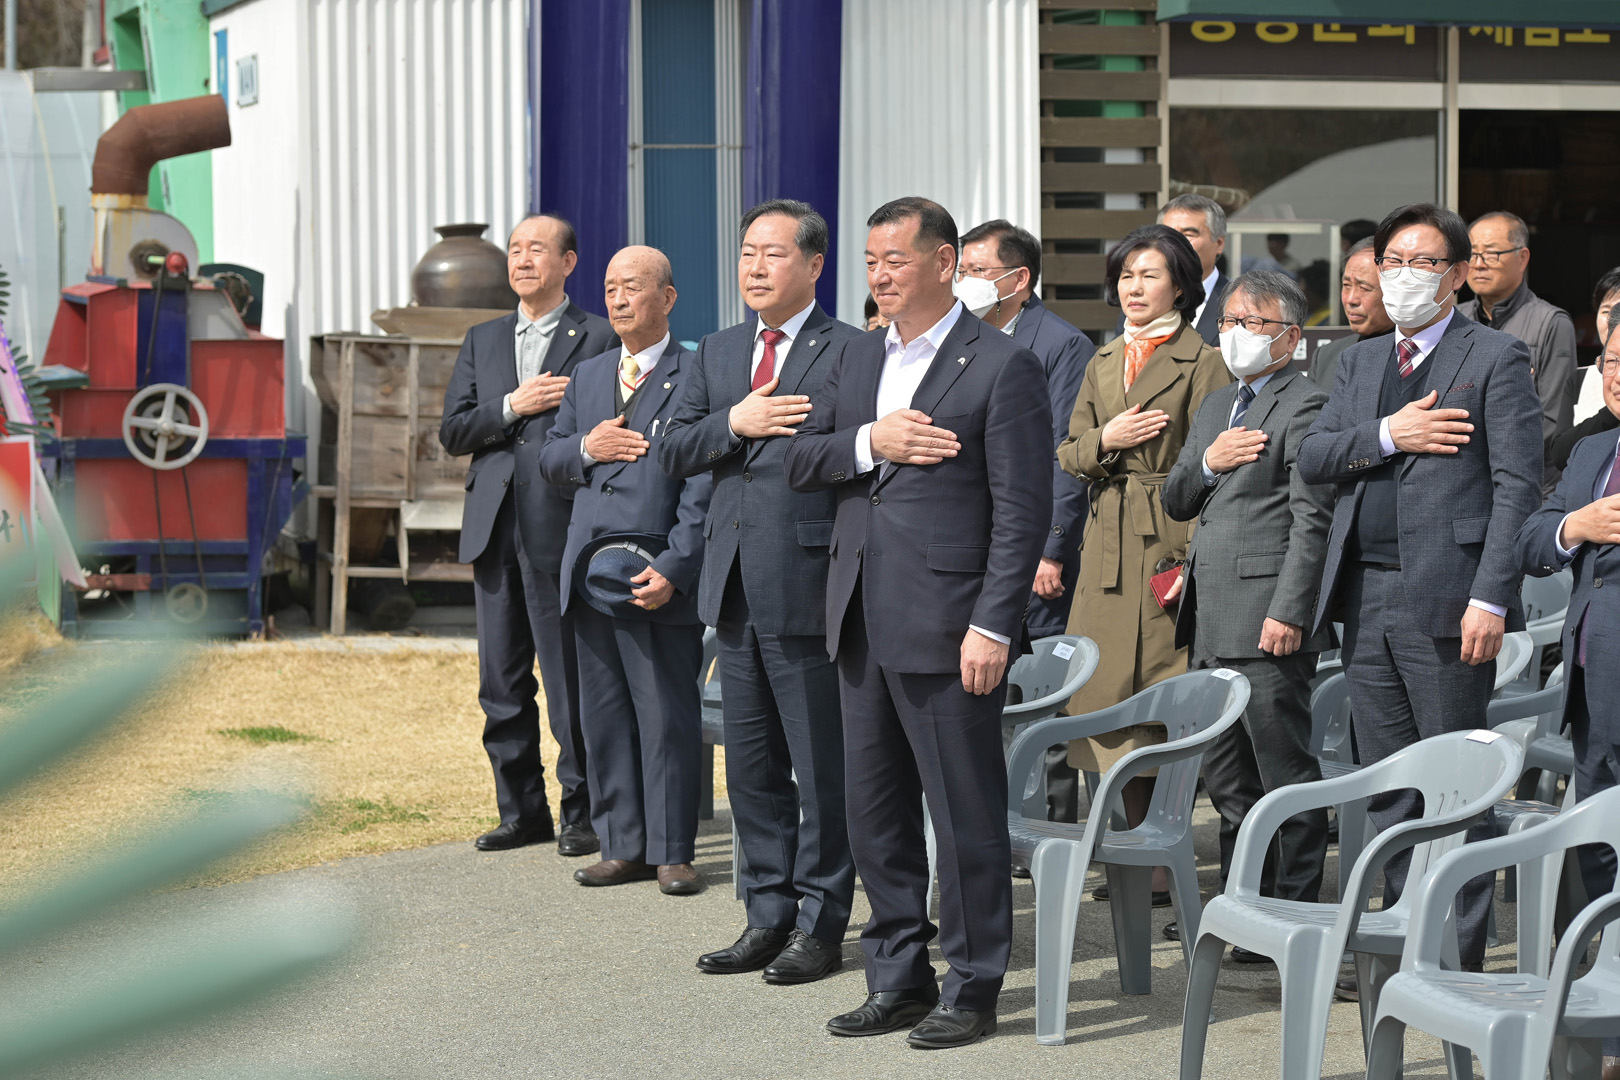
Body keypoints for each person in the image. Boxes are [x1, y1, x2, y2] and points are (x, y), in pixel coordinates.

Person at [784, 196, 1050, 1049]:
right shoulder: (858, 355)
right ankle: (898, 978)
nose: (880, 275)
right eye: (870, 261)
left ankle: (973, 985)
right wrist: (875, 440)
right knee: (875, 814)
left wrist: (994, 625)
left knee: (964, 816)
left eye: (895, 259)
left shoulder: (1002, 365)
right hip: (859, 614)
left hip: (950, 624)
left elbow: (1022, 513)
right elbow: (803, 457)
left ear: (944, 263)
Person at [1297, 202, 1543, 976]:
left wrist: (1491, 596)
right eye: (1393, 262)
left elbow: (1517, 486)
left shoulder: (1494, 355)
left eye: (1424, 263)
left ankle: (1455, 965)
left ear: (1459, 274)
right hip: (1365, 595)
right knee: (1391, 787)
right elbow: (1314, 456)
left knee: (1455, 789)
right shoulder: (1362, 360)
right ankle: (1402, 944)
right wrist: (1388, 435)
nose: (1404, 276)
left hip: (1449, 598)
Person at [659, 200, 862, 982]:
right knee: (751, 771)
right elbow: (675, 449)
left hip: (809, 584)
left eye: (773, 254)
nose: (755, 267)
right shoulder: (715, 351)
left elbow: (859, 454)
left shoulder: (851, 349)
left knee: (819, 771)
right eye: (747, 252)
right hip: (732, 589)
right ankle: (766, 915)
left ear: (814, 264)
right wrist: (736, 423)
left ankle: (822, 923)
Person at [1058, 224, 1231, 903]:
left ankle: (1165, 851)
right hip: (1106, 540)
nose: (1134, 287)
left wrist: (1193, 553)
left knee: (1165, 695)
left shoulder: (1205, 360)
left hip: (1169, 532)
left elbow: (1216, 464)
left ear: (1181, 286)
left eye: (1149, 274)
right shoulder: (1103, 359)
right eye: (1126, 275)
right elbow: (1069, 452)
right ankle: (1133, 846)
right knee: (1110, 698)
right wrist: (1108, 438)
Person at [1161, 270, 1332, 949]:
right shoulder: (1216, 405)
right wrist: (1209, 461)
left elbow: (1311, 521)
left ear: (1290, 336)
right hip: (1209, 616)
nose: (1235, 333)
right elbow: (1177, 497)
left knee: (1281, 773)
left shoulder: (1307, 404)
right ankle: (1242, 905)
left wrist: (1290, 611)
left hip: (1265, 620)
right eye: (1229, 321)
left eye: (1252, 323)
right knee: (1228, 779)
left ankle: (1291, 916)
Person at [439, 214, 618, 855]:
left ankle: (583, 811)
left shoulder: (598, 336)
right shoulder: (483, 338)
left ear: (567, 263)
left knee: (570, 679)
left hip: (561, 527)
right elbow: (454, 431)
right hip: (493, 530)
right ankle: (520, 812)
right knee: (501, 682)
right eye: (515, 249)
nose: (521, 259)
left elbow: (609, 424)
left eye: (536, 249)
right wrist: (514, 404)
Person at [537, 246, 713, 895]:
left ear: (667, 298)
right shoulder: (588, 375)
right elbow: (550, 458)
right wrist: (588, 446)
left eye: (632, 287)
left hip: (655, 573)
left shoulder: (697, 373)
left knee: (665, 715)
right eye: (610, 287)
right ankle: (622, 845)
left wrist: (676, 565)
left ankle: (671, 852)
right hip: (589, 574)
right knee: (604, 715)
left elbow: (704, 482)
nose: (617, 299)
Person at [958, 218, 1096, 827]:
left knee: (1044, 690)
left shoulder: (1061, 343)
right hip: (974, 543)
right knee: (989, 687)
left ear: (1018, 279)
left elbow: (1065, 453)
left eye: (977, 271)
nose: (964, 281)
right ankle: (997, 821)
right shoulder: (961, 334)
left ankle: (1052, 829)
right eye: (962, 270)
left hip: (1036, 546)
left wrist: (1051, 548)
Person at [1516, 312, 1620, 1080]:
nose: (1618, 376)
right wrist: (1576, 526)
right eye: (1612, 361)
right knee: (1601, 848)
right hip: (1592, 684)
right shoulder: (1591, 449)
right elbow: (1533, 538)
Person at [1457, 211, 1579, 492]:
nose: (1479, 264)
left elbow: (1554, 419)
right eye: (1472, 254)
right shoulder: (1455, 320)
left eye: (1491, 254)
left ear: (1522, 258)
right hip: (1465, 483)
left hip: (1530, 486)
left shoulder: (1551, 323)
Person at [1114, 194, 1229, 346]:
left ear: (1219, 243)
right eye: (1167, 236)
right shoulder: (1138, 299)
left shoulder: (1236, 304)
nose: (1175, 245)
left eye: (1188, 235)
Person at [1551, 267, 1620, 473]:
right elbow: (1560, 454)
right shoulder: (1580, 378)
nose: (1612, 320)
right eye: (1606, 311)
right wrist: (1612, 410)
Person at [1310, 238, 1394, 392]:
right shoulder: (1325, 356)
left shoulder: (1413, 357)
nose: (1351, 299)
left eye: (1364, 288)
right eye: (1346, 285)